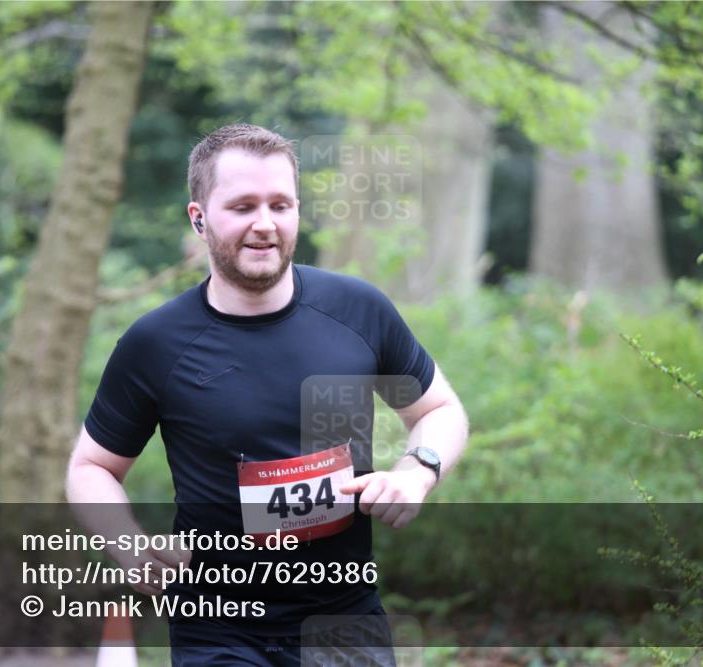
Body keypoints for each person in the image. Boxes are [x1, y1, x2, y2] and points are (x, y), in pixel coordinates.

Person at [67, 123, 469, 666]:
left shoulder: (358, 310)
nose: (264, 224)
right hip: (218, 632)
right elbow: (91, 465)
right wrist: (126, 543)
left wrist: (417, 471)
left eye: (281, 205)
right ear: (199, 218)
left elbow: (441, 410)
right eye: (243, 206)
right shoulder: (156, 344)